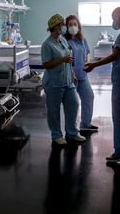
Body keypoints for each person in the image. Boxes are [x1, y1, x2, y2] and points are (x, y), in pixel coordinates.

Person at [84, 7, 120, 163]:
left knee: (119, 115)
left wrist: (94, 65)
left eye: (114, 18)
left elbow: (115, 55)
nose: (113, 21)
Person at [41, 13, 87, 147]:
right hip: (54, 83)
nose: (64, 27)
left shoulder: (63, 40)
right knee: (54, 111)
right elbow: (46, 64)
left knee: (74, 105)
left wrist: (72, 74)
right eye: (61, 25)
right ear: (55, 27)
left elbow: (69, 58)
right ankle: (56, 135)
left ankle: (72, 133)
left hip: (68, 81)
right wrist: (62, 60)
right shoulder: (47, 44)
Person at [64, 15, 97, 132]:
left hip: (82, 75)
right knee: (72, 103)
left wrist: (88, 63)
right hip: (70, 77)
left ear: (78, 26)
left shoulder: (82, 39)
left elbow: (86, 54)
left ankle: (85, 124)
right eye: (70, 24)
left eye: (75, 24)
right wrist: (71, 73)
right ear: (66, 27)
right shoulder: (64, 41)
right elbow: (65, 59)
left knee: (89, 97)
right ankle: (70, 130)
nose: (73, 26)